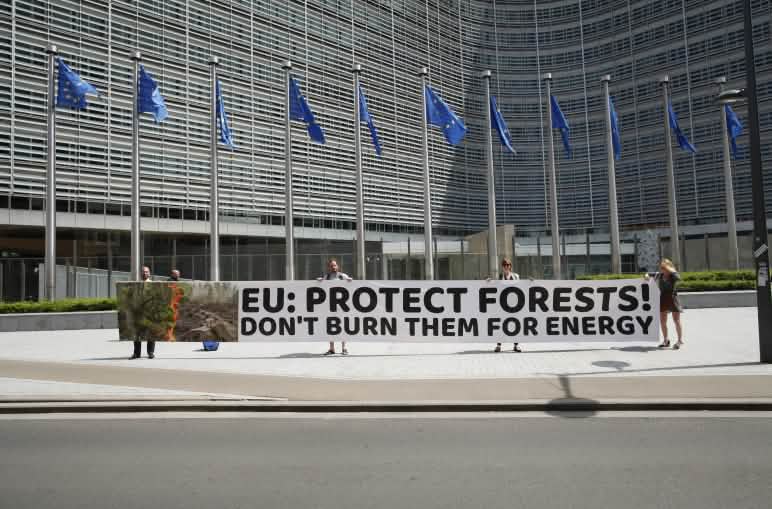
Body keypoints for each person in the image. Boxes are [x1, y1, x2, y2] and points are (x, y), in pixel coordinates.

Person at [645, 258, 684, 349]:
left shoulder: (673, 275)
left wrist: (671, 270)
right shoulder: (659, 275)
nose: (663, 269)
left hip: (673, 298)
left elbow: (679, 278)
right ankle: (666, 340)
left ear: (669, 267)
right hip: (662, 298)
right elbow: (648, 274)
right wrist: (646, 276)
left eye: (665, 267)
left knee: (676, 320)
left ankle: (679, 340)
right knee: (663, 321)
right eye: (662, 267)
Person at [317, 258, 353, 355]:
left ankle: (344, 348)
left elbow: (350, 283)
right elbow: (321, 284)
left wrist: (350, 280)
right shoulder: (327, 277)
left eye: (335, 265)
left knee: (343, 326)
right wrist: (319, 281)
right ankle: (331, 348)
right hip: (330, 306)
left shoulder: (342, 276)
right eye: (331, 266)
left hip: (341, 306)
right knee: (330, 326)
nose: (333, 267)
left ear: (338, 266)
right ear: (328, 267)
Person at [489, 257, 522, 353]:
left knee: (515, 324)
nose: (506, 267)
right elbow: (494, 287)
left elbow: (521, 287)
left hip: (514, 305)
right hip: (502, 305)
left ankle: (516, 345)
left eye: (508, 265)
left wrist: (530, 282)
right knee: (501, 324)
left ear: (510, 266)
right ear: (502, 267)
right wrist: (488, 282)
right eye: (504, 265)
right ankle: (498, 345)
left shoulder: (516, 276)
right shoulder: (499, 277)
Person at [131, 266, 156, 359]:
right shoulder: (136, 285)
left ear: (149, 273)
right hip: (139, 313)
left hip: (150, 312)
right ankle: (136, 353)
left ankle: (150, 352)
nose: (145, 273)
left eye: (146, 272)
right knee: (137, 333)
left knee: (150, 333)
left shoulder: (153, 285)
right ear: (140, 273)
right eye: (143, 272)